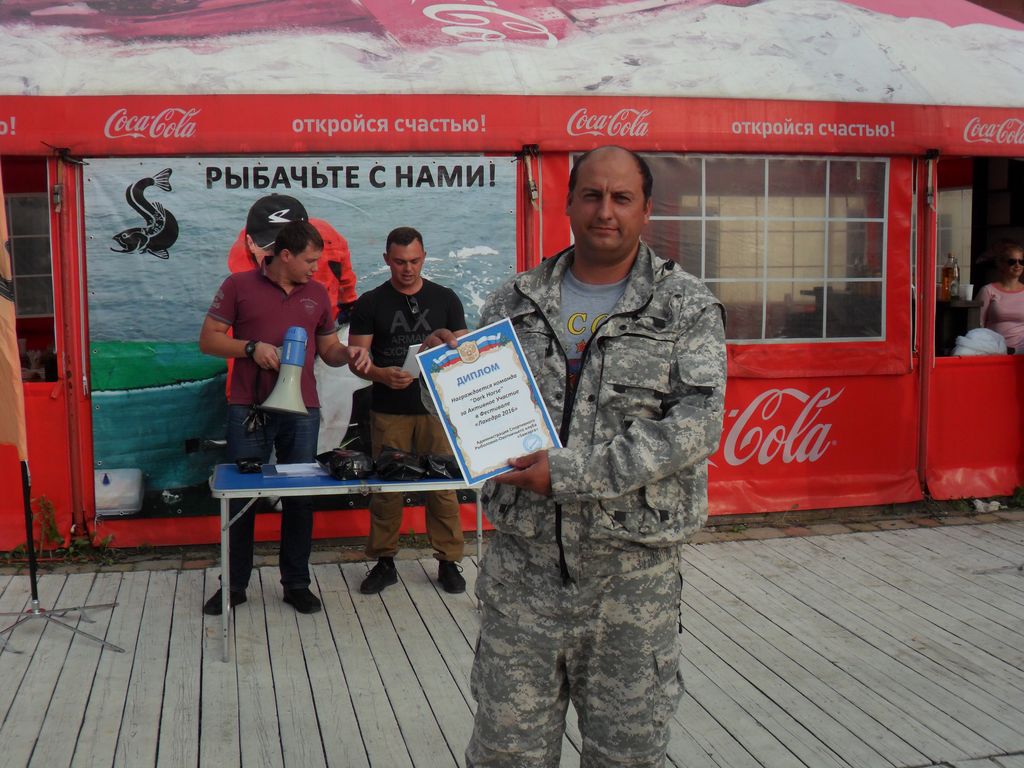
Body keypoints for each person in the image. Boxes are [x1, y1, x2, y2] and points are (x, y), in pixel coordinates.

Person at [424, 146, 727, 766]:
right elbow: (479, 425)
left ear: (646, 208)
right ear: (567, 204)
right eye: (591, 195)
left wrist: (566, 474)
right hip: (522, 580)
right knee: (506, 756)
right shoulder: (514, 301)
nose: (604, 211)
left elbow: (696, 425)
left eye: (621, 198)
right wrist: (445, 376)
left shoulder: (685, 307)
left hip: (631, 585)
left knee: (626, 756)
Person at [199, 220, 370, 616]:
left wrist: (348, 354)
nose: (316, 268)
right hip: (249, 407)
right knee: (241, 497)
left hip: (303, 410)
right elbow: (209, 340)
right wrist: (250, 348)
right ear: (285, 255)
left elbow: (328, 349)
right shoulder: (238, 286)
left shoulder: (317, 293)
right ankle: (234, 586)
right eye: (310, 261)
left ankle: (296, 583)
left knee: (300, 498)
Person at [348, 226, 469, 595]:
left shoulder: (446, 298)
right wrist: (380, 375)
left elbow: (464, 351)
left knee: (443, 488)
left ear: (424, 257)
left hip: (436, 411)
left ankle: (449, 561)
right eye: (400, 262)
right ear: (387, 259)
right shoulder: (370, 302)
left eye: (415, 261)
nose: (408, 269)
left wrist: (448, 352)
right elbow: (357, 360)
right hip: (389, 409)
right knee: (386, 489)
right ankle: (384, 562)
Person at [227, 193, 368, 453]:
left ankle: (323, 456)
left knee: (324, 425)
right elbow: (225, 334)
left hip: (326, 330)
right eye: (270, 248)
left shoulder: (330, 240)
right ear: (251, 243)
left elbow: (346, 284)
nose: (281, 256)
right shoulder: (241, 278)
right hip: (267, 358)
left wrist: (347, 316)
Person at [979, 239, 1024, 351]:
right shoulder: (987, 290)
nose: (1017, 265)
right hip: (993, 348)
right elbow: (978, 323)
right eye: (1012, 261)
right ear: (1001, 264)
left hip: (1021, 350)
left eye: (1021, 261)